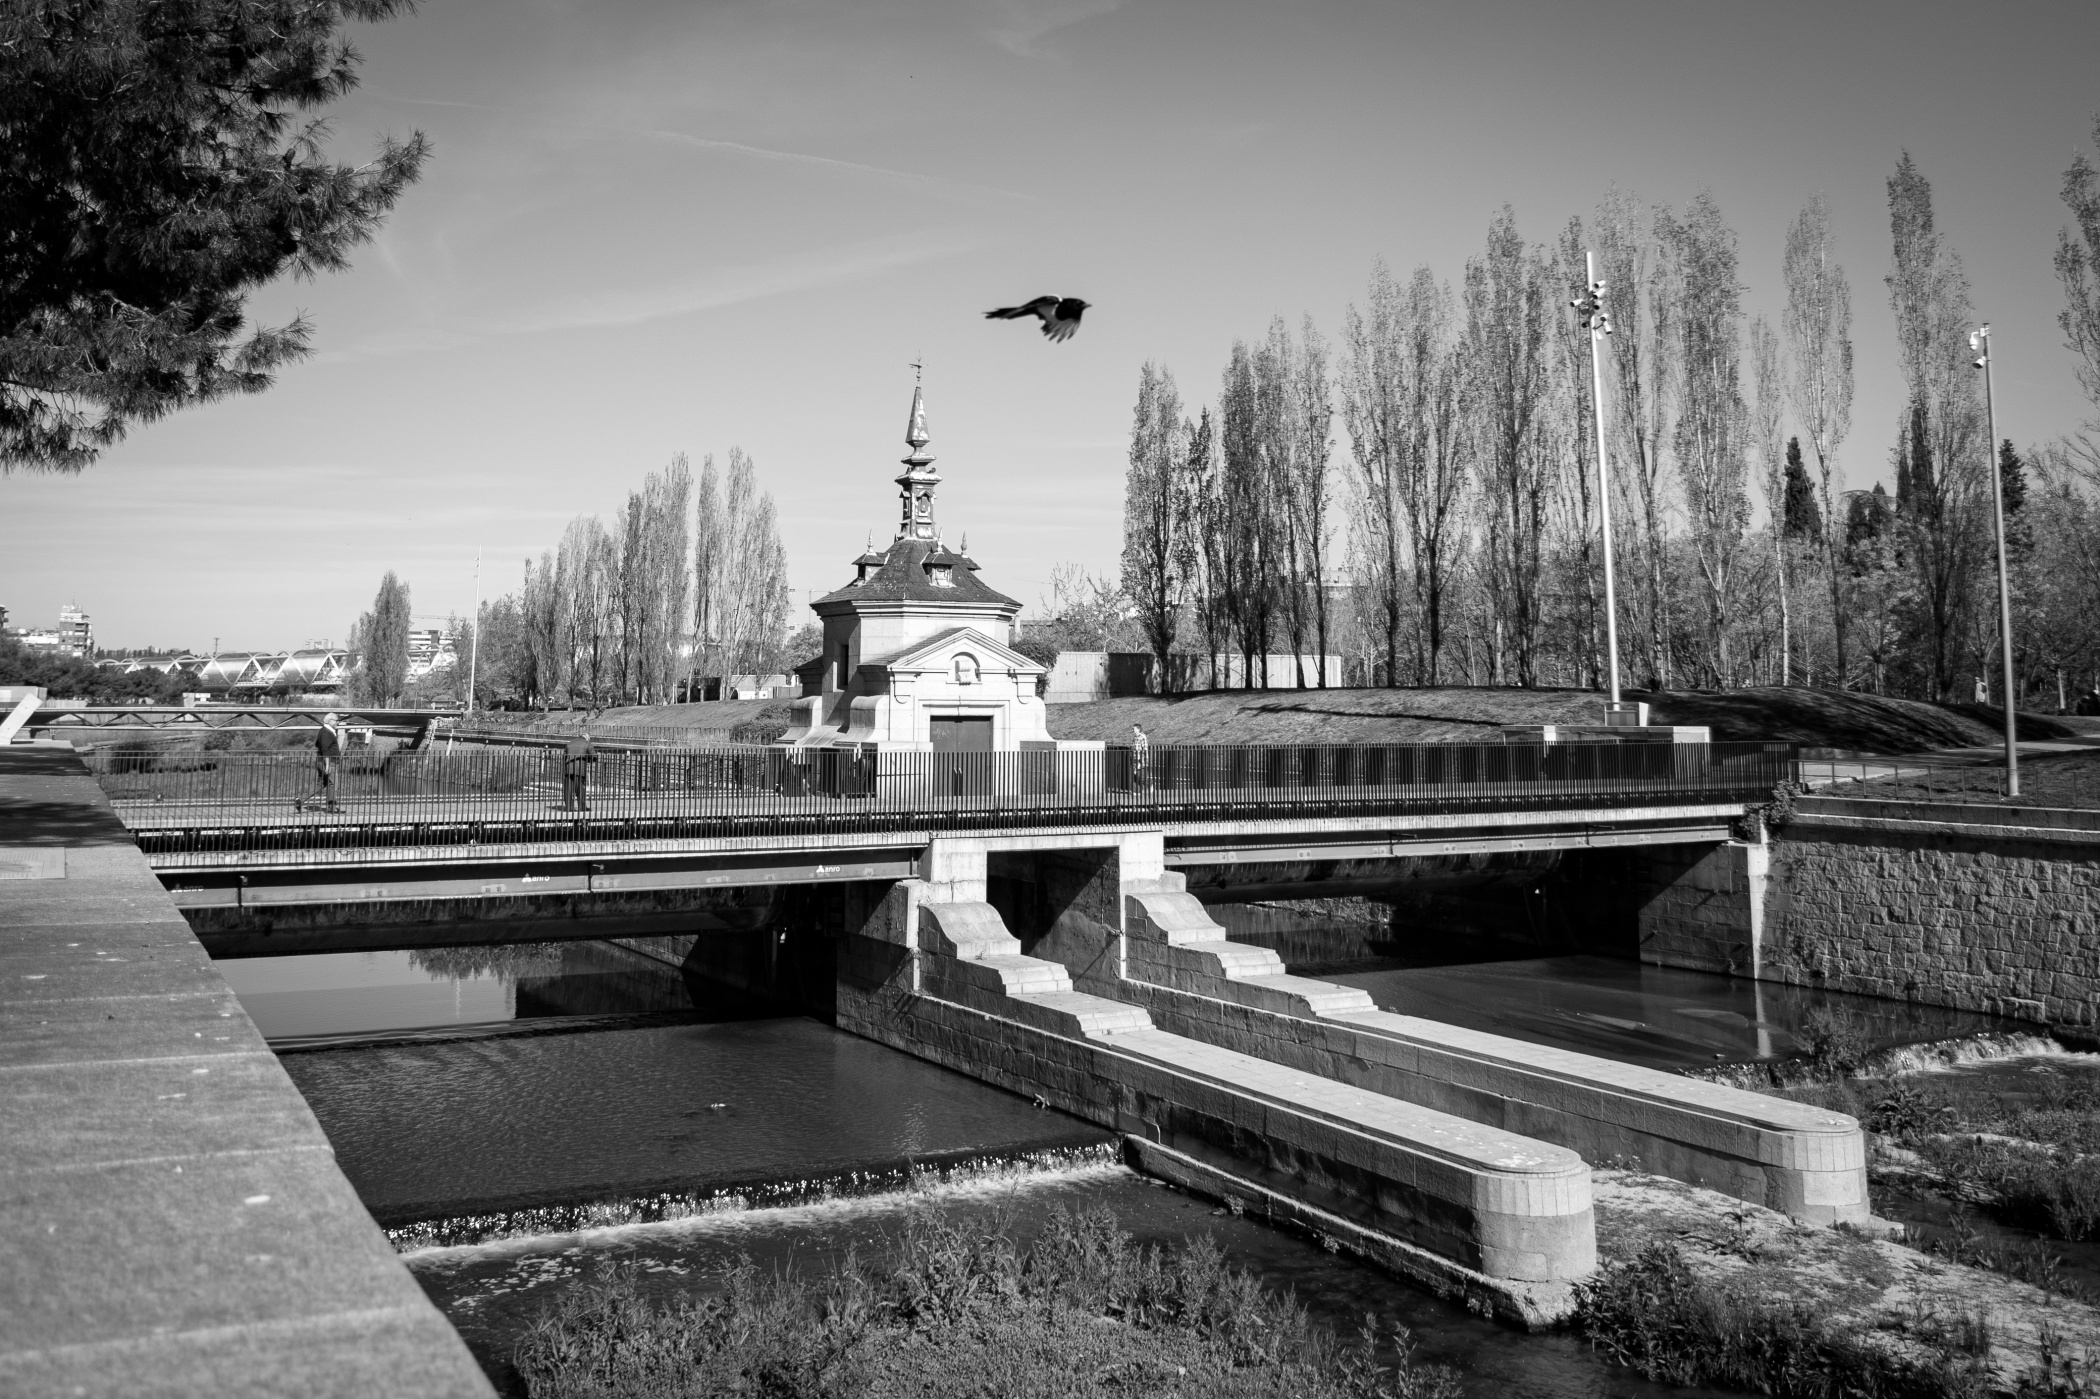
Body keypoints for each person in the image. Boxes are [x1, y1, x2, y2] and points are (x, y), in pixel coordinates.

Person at [297, 712, 344, 813]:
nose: (338, 722)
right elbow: (325, 748)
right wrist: (327, 764)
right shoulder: (327, 732)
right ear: (329, 721)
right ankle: (331, 808)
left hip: (322, 761)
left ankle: (300, 800)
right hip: (329, 762)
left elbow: (318, 744)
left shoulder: (325, 731)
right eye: (336, 720)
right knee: (333, 784)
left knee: (321, 784)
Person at [562, 729, 596, 812]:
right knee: (580, 789)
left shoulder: (569, 743)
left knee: (568, 789)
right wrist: (589, 760)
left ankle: (569, 808)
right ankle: (582, 807)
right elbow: (594, 756)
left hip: (568, 769)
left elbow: (564, 757)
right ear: (587, 738)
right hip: (580, 769)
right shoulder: (587, 744)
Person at [1130, 723, 1150, 792]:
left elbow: (1145, 748)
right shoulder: (1135, 737)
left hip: (1140, 758)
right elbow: (1133, 747)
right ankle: (1137, 790)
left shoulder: (1142, 737)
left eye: (1134, 728)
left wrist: (1144, 758)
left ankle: (1149, 786)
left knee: (1140, 774)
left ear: (1138, 729)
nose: (1132, 729)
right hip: (1135, 757)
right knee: (1135, 773)